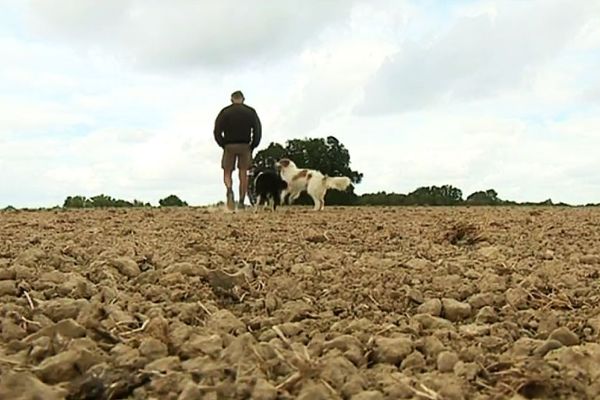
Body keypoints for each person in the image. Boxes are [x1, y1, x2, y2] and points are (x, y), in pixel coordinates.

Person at [213, 90, 262, 210]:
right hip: (245, 145)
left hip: (229, 145)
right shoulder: (250, 112)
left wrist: (223, 144)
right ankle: (241, 201)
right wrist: (253, 145)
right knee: (243, 173)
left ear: (231, 99)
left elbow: (217, 130)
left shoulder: (225, 112)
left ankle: (229, 189)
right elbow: (257, 130)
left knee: (227, 171)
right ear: (243, 99)